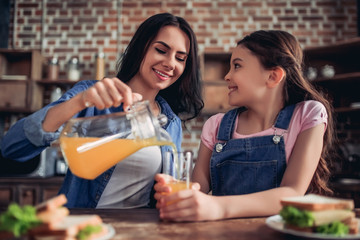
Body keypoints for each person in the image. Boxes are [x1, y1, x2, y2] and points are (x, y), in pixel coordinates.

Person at [1, 13, 203, 209]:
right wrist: (80, 102)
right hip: (89, 227)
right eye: (161, 50)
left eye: (180, 58)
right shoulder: (90, 95)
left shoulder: (171, 122)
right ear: (141, 48)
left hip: (144, 229)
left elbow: (167, 190)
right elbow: (12, 148)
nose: (170, 63)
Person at [154, 30, 336, 222]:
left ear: (273, 77)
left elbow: (292, 193)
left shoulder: (307, 115)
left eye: (237, 66)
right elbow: (197, 188)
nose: (227, 76)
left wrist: (218, 207)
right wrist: (176, 191)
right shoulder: (216, 126)